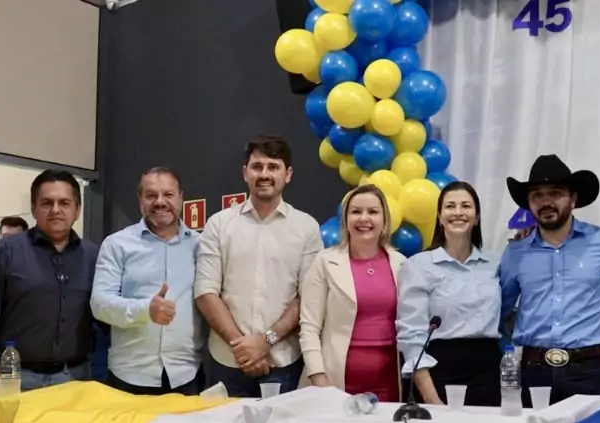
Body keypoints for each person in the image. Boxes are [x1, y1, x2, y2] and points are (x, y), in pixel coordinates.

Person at [500, 155, 600, 408]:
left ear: (573, 199)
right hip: (533, 371)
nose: (546, 202)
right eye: (537, 195)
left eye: (555, 193)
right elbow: (500, 308)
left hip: (589, 371)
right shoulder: (515, 252)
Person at [194, 135, 322, 397]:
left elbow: (308, 297)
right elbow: (206, 293)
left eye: (273, 167)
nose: (265, 174)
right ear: (245, 173)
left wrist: (265, 342)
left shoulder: (306, 227)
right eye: (257, 166)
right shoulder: (219, 224)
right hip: (227, 361)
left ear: (288, 174)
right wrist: (243, 349)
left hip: (282, 363)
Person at [0, 170, 98, 391]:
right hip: (15, 378)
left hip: (75, 379)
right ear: (34, 209)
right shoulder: (5, 252)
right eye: (47, 202)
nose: (55, 210)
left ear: (78, 210)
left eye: (64, 202)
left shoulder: (93, 257)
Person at [91, 167, 204, 395]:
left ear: (181, 197)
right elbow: (100, 304)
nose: (159, 202)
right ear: (140, 200)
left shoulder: (200, 245)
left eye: (168, 195)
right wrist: (145, 309)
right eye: (151, 195)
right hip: (129, 376)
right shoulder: (117, 245)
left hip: (186, 375)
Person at [396, 181, 502, 406]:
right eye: (450, 206)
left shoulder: (495, 262)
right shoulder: (418, 265)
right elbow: (411, 336)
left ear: (477, 216)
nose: (458, 212)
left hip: (489, 372)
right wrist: (431, 398)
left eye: (466, 206)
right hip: (438, 373)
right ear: (440, 216)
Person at [300, 184, 406, 401]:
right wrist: (319, 379)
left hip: (388, 384)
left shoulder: (402, 264)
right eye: (356, 211)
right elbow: (309, 327)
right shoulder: (324, 262)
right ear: (345, 220)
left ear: (385, 222)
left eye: (373, 212)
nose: (364, 218)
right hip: (333, 383)